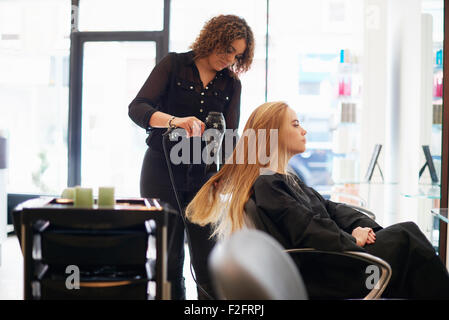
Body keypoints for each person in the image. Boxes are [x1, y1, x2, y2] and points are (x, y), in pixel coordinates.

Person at [186, 101, 449, 299]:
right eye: (296, 124)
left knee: (406, 244)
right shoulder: (268, 184)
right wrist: (351, 239)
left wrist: (363, 229)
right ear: (273, 133)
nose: (304, 130)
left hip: (333, 258)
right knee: (408, 238)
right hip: (322, 272)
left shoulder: (286, 179)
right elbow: (306, 229)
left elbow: (331, 209)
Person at [128, 14, 254, 300]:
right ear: (213, 39)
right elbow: (137, 108)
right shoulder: (174, 65)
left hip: (203, 175)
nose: (230, 58)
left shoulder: (232, 84)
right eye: (227, 49)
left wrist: (223, 178)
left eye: (237, 54)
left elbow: (229, 137)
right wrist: (174, 120)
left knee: (208, 256)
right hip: (161, 171)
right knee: (169, 257)